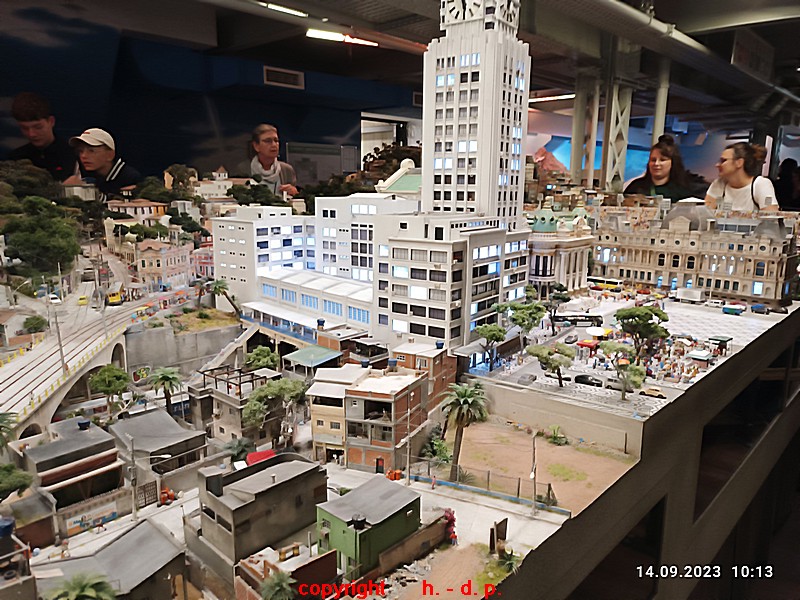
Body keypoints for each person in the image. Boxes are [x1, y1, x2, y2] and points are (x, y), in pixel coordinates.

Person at [7, 92, 78, 182]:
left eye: (38, 127)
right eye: (25, 128)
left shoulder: (74, 154)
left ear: (51, 121)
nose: (31, 134)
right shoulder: (15, 159)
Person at [64, 128, 141, 200]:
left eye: (91, 151)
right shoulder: (86, 174)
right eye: (80, 151)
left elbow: (121, 203)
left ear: (110, 155)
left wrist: (84, 191)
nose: (83, 156)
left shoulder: (130, 178)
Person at [704, 142, 778, 212]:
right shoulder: (719, 184)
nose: (717, 165)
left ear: (739, 163)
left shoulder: (761, 184)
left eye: (723, 160)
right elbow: (705, 213)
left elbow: (771, 217)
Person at [624, 135, 692, 201]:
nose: (656, 164)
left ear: (673, 163)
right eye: (653, 160)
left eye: (662, 160)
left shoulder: (684, 190)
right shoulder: (635, 187)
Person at [249, 123, 298, 197]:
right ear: (256, 146)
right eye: (268, 141)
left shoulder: (286, 170)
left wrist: (294, 192)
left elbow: (295, 198)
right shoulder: (244, 169)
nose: (274, 145)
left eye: (276, 140)